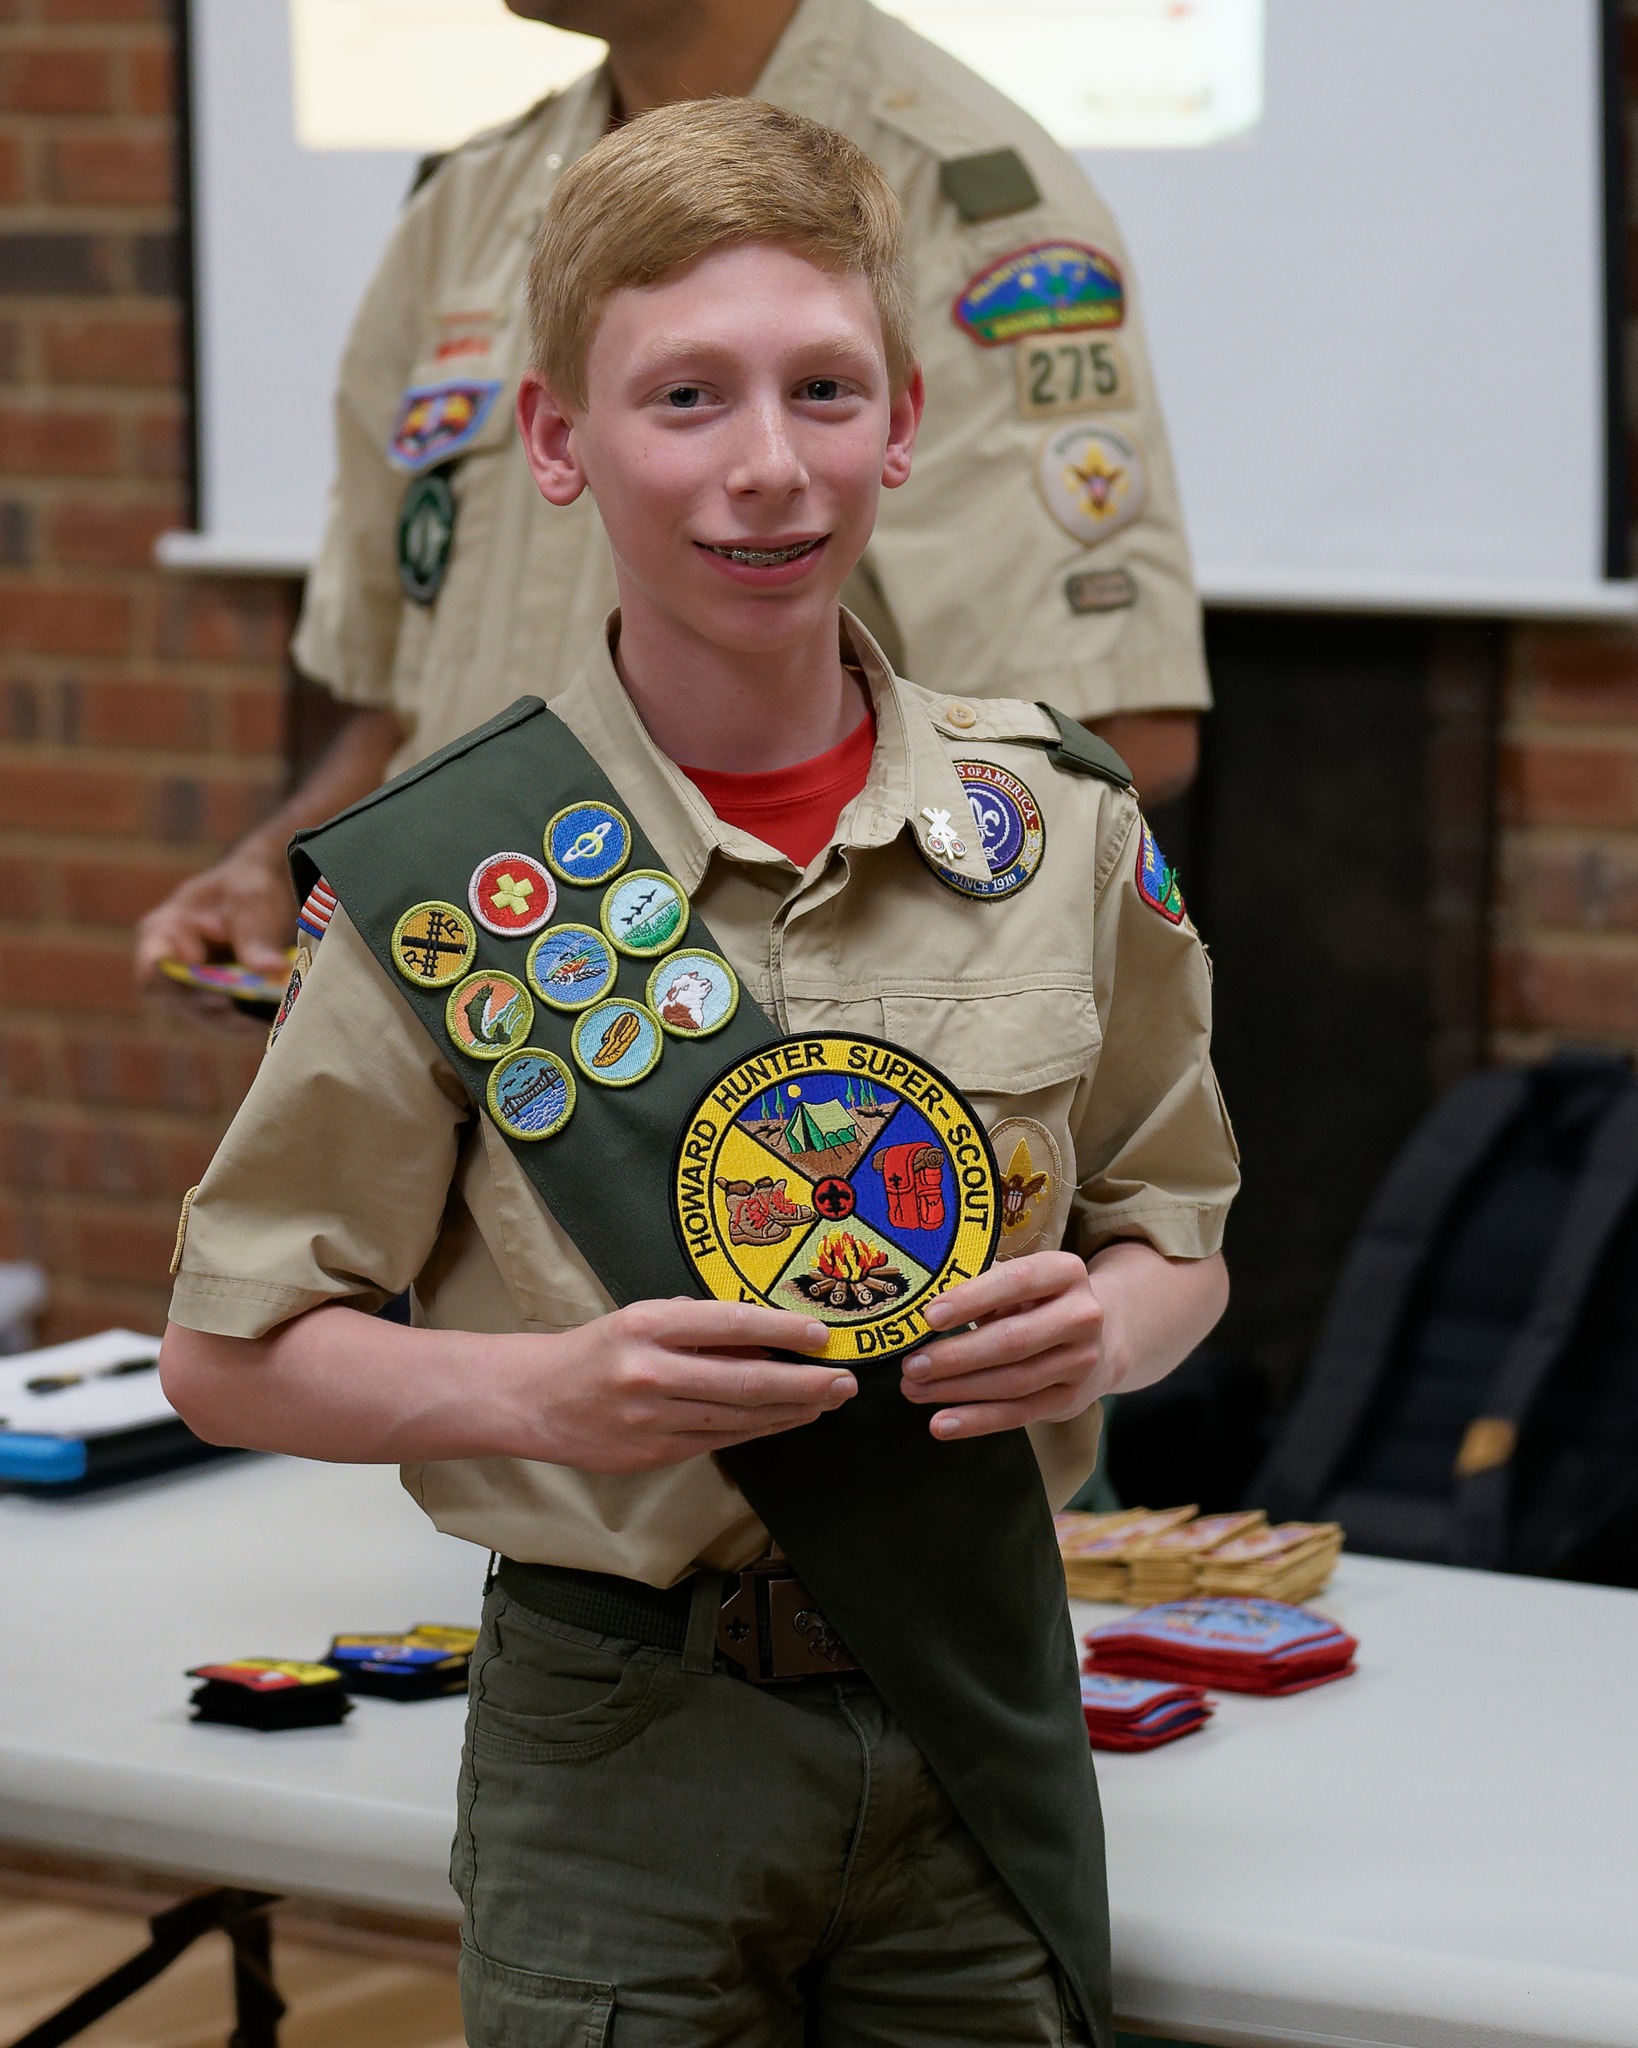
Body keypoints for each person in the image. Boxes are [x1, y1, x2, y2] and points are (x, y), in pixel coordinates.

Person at [159, 101, 1236, 2046]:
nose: (768, 469)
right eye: (686, 399)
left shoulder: (1055, 823)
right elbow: (228, 1350)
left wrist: (1113, 1335)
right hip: (619, 1737)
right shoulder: (449, 874)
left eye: (824, 390)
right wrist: (541, 1389)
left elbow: (1180, 1232)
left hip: (973, 1687)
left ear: (905, 420)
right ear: (561, 444)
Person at [135, 0, 1210, 1013]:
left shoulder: (957, 195)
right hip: (459, 1029)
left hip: (755, 1095)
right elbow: (408, 702)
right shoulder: (476, 196)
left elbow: (1098, 739)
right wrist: (292, 869)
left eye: (820, 392)